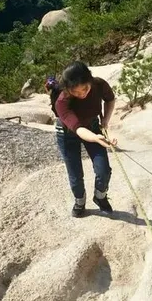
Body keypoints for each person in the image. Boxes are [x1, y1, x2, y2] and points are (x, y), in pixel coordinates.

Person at [49, 61, 118, 218]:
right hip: (67, 133)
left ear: (90, 80)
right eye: (76, 91)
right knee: (75, 173)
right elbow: (78, 129)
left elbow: (110, 99)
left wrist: (105, 120)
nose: (81, 94)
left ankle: (100, 196)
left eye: (85, 88)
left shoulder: (99, 85)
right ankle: (80, 201)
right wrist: (95, 138)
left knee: (103, 169)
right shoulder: (62, 102)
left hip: (92, 126)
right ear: (68, 89)